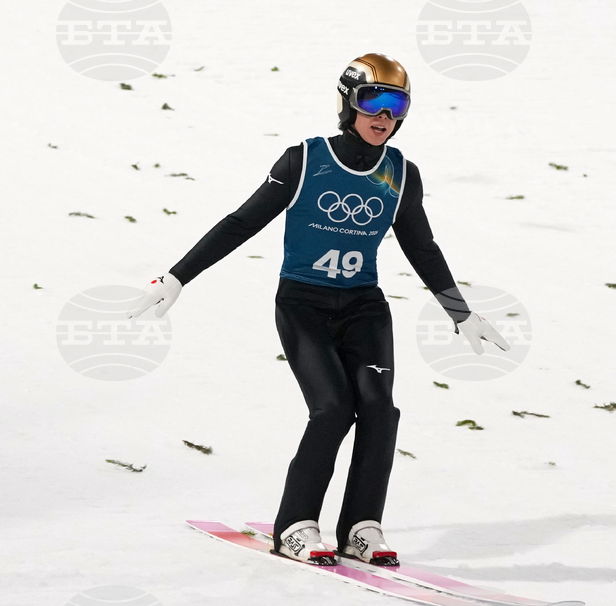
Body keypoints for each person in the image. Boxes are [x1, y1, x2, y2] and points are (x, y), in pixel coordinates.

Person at [126, 53, 510, 566]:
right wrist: (178, 276)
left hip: (364, 307)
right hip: (303, 304)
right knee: (332, 409)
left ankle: (360, 526)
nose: (385, 117)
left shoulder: (400, 173)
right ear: (348, 102)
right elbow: (241, 222)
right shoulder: (303, 160)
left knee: (380, 409)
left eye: (397, 106)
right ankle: (294, 526)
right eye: (374, 101)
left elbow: (422, 247)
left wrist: (459, 312)